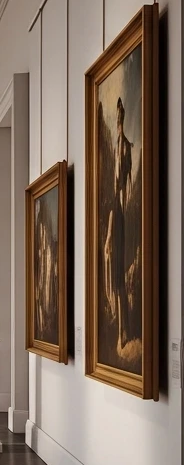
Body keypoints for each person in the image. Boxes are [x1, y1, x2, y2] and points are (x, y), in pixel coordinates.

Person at [104, 97, 135, 351]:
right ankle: (120, 327)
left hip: (120, 215)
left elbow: (124, 189)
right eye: (116, 118)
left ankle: (124, 330)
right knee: (113, 277)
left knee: (119, 278)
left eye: (120, 117)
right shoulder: (116, 145)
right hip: (116, 214)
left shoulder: (124, 147)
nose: (118, 121)